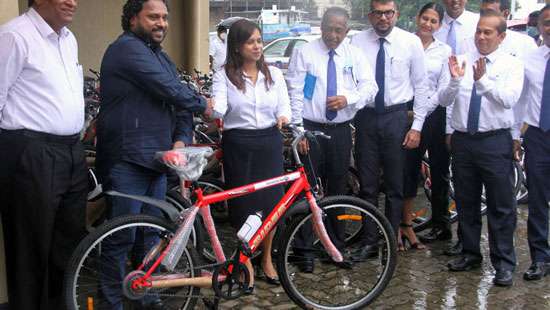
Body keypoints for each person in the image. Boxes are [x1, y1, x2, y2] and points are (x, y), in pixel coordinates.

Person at [95, 0, 211, 308]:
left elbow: (180, 103)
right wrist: (204, 104)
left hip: (157, 163)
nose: (161, 23)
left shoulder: (162, 58)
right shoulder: (126, 49)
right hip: (126, 161)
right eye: (153, 17)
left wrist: (180, 141)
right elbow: (170, 90)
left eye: (164, 17)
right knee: (121, 237)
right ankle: (112, 304)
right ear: (133, 19)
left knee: (150, 236)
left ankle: (147, 298)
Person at [0, 0, 88, 308]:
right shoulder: (15, 36)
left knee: (68, 245)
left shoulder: (69, 39)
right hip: (31, 152)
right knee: (30, 247)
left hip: (71, 152)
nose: (72, 2)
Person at [286, 7, 378, 272]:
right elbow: (294, 92)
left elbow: (370, 88)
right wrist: (298, 131)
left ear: (346, 31)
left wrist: (348, 99)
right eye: (329, 28)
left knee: (338, 189)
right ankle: (303, 251)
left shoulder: (354, 55)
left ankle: (335, 246)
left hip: (339, 131)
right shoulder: (305, 53)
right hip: (310, 131)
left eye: (339, 30)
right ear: (321, 26)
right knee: (308, 190)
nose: (333, 35)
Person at [443, 10, 523, 287]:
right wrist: (454, 80)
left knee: (501, 205)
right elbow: (444, 100)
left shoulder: (512, 65)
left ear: (501, 37)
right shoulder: (461, 59)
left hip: (494, 141)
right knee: (466, 201)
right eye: (479, 30)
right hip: (464, 142)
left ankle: (503, 263)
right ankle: (469, 253)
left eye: (488, 32)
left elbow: (509, 100)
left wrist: (483, 81)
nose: (481, 36)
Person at [211, 19, 291, 291]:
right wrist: (211, 109)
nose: (257, 46)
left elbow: (285, 106)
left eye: (259, 40)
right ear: (237, 45)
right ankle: (244, 261)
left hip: (269, 143)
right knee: (244, 206)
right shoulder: (224, 75)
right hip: (239, 144)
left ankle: (266, 258)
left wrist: (283, 116)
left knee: (270, 204)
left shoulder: (274, 74)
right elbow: (219, 108)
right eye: (250, 41)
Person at [350, 0, 428, 260]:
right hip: (366, 118)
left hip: (397, 118)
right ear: (370, 15)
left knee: (396, 184)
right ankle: (370, 241)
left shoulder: (410, 42)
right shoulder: (357, 42)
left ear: (395, 14)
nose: (383, 18)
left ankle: (391, 238)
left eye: (388, 13)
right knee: (368, 185)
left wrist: (416, 128)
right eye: (378, 13)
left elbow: (422, 88)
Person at [402, 2, 453, 250]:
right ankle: (405, 223)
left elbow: (444, 88)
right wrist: (413, 114)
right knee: (410, 168)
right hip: (407, 113)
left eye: (433, 21)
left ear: (439, 25)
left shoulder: (444, 50)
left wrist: (423, 111)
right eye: (425, 18)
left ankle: (441, 224)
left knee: (440, 170)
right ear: (417, 18)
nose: (428, 24)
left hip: (435, 114)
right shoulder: (406, 43)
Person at [516, 4, 550, 282]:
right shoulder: (532, 59)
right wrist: (515, 135)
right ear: (538, 26)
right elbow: (521, 99)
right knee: (538, 199)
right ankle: (540, 257)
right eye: (546, 22)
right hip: (539, 136)